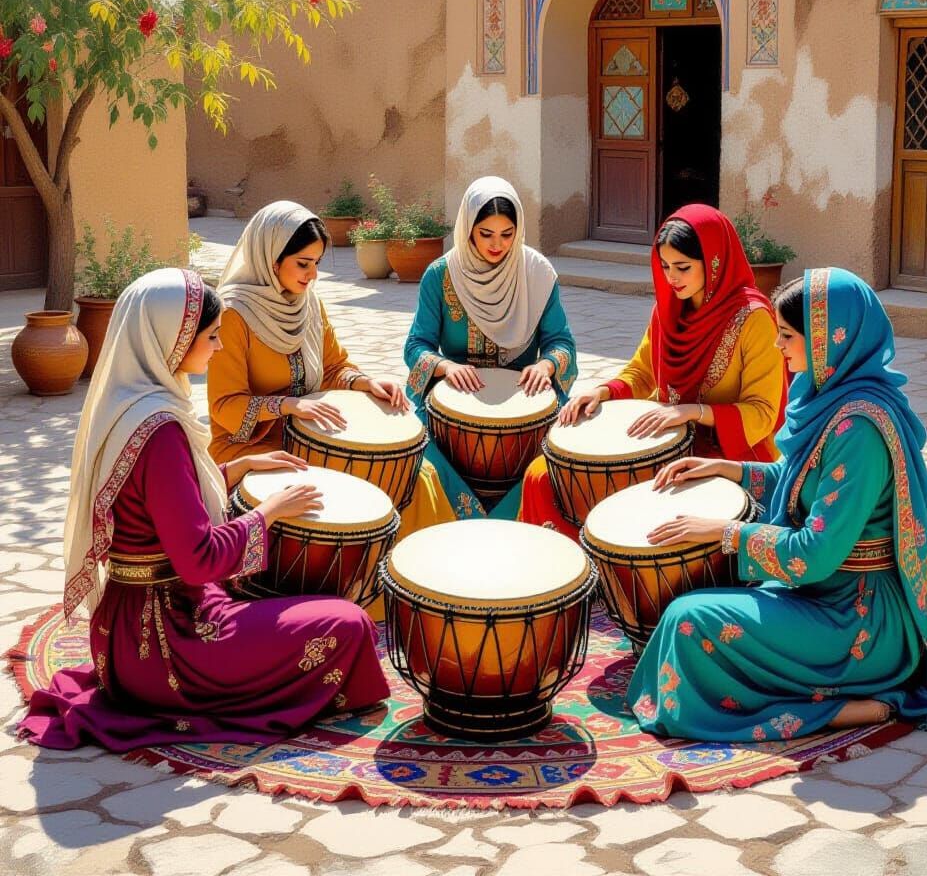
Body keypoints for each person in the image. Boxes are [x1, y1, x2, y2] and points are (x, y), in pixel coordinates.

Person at [626, 269, 927, 741]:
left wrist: (724, 532)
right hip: (825, 596)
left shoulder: (859, 430)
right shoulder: (829, 396)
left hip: (858, 620)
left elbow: (814, 553)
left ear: (827, 339)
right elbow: (802, 482)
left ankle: (844, 710)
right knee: (693, 611)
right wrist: (727, 469)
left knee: (689, 621)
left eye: (787, 336)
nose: (778, 347)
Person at [19, 269, 388, 750]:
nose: (219, 347)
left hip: (121, 633)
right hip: (167, 643)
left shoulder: (126, 406)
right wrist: (268, 512)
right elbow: (198, 559)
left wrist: (237, 467)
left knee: (283, 596)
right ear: (173, 340)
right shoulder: (160, 430)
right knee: (348, 623)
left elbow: (153, 499)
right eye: (211, 336)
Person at [520, 204, 786, 535]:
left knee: (645, 502)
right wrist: (601, 391)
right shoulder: (669, 310)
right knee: (542, 475)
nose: (671, 277)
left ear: (714, 261)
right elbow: (643, 372)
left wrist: (692, 411)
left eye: (683, 267)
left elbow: (763, 414)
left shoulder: (754, 319)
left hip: (726, 453)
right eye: (664, 266)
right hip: (667, 437)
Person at [207, 201, 455, 537]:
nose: (312, 275)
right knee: (332, 491)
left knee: (417, 476)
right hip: (253, 448)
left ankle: (418, 565)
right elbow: (224, 407)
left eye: (317, 263)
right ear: (272, 259)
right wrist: (287, 405)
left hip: (314, 439)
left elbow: (334, 367)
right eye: (303, 263)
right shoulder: (233, 315)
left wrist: (364, 382)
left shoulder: (308, 304)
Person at [403, 177, 577, 519]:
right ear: (468, 228)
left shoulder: (537, 274)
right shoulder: (441, 275)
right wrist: (445, 367)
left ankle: (508, 522)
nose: (498, 245)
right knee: (416, 447)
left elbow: (561, 342)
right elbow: (416, 345)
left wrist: (546, 365)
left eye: (507, 234)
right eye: (486, 234)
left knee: (566, 448)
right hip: (453, 398)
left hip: (525, 398)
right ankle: (466, 520)